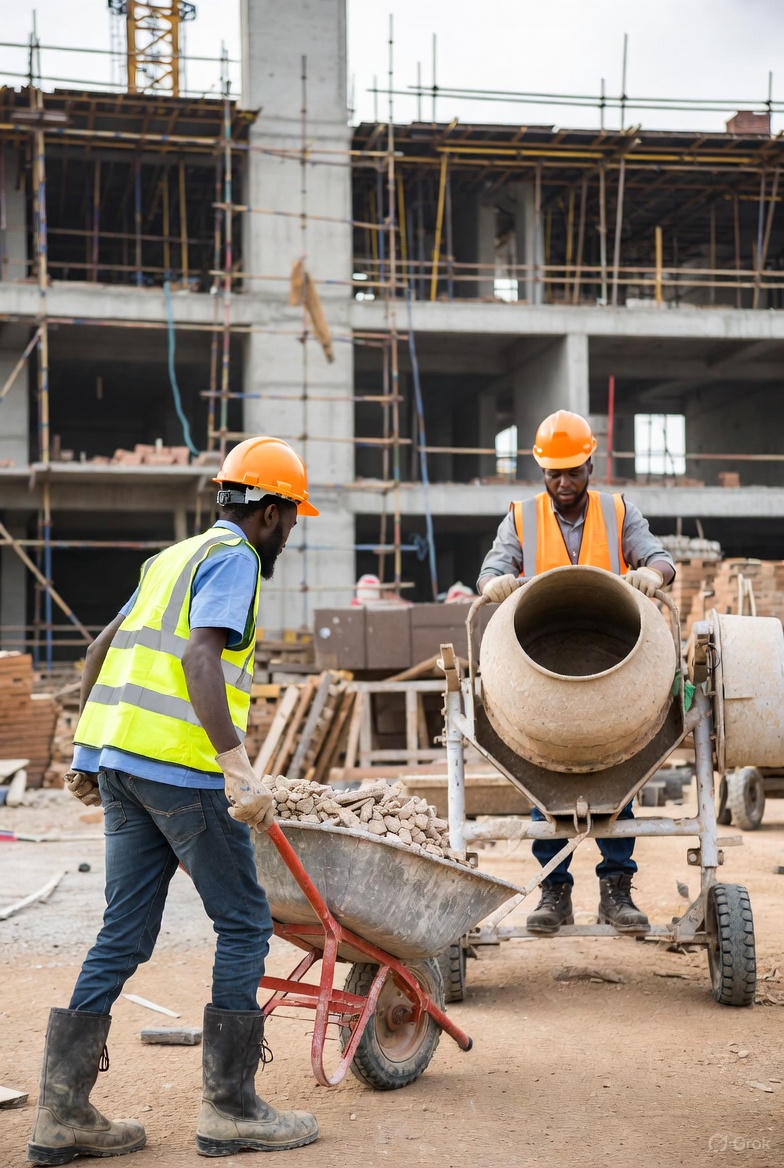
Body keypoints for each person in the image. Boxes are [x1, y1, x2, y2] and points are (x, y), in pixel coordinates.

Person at [28, 436, 321, 1165]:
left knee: (122, 934)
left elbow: (100, 650)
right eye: (291, 517)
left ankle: (61, 1114)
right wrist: (237, 767)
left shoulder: (171, 558)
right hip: (180, 771)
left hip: (122, 769)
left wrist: (87, 753)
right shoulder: (236, 560)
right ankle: (230, 1109)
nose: (290, 531)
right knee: (246, 920)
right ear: (271, 511)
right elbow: (199, 657)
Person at [476, 410, 675, 938]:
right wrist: (496, 584)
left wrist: (652, 574)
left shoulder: (619, 511)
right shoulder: (521, 516)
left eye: (573, 473)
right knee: (544, 788)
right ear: (542, 471)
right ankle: (554, 892)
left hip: (614, 667)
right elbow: (495, 568)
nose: (564, 484)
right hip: (539, 670)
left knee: (623, 779)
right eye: (554, 474)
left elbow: (660, 558)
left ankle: (616, 891)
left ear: (591, 465)